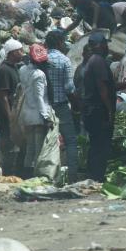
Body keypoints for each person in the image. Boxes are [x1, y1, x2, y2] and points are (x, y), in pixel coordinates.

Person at [82, 32, 117, 181]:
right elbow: (103, 89)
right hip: (98, 110)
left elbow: (111, 87)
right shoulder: (99, 62)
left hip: (92, 110)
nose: (107, 46)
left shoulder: (92, 61)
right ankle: (96, 178)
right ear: (100, 45)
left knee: (96, 145)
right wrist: (109, 110)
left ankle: (94, 176)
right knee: (100, 146)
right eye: (105, 43)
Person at [45, 30, 78, 179]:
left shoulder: (41, 59)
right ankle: (72, 175)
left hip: (45, 107)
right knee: (70, 140)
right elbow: (69, 88)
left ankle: (48, 174)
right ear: (59, 43)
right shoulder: (64, 60)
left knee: (47, 141)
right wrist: (76, 106)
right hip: (62, 106)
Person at [18, 44, 54, 179]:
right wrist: (46, 117)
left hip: (26, 114)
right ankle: (37, 177)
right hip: (38, 116)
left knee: (30, 149)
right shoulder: (39, 74)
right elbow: (40, 97)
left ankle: (27, 176)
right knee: (39, 149)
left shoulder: (22, 70)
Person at [0, 38, 24, 177]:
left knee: (15, 145)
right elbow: (3, 96)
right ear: (12, 53)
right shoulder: (4, 70)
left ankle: (14, 174)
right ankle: (8, 174)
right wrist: (10, 117)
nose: (22, 53)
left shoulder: (14, 68)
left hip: (14, 114)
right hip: (6, 115)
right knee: (9, 145)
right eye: (20, 51)